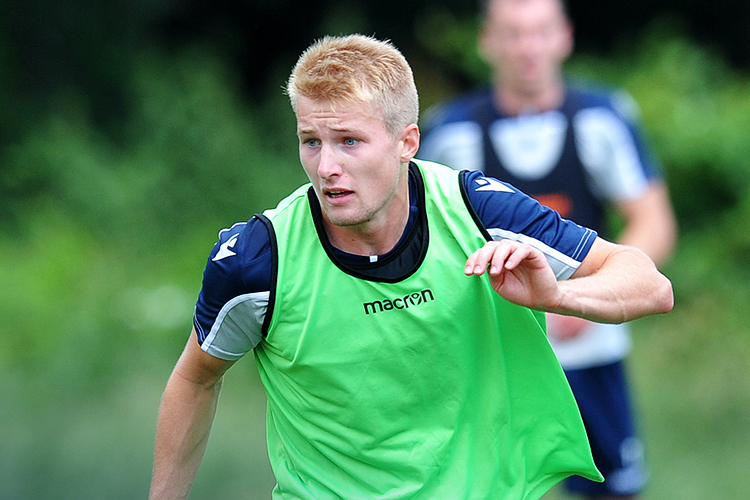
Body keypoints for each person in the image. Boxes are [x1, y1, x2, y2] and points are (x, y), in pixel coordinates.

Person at [149, 34, 673, 500]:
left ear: (407, 142)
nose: (327, 167)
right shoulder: (257, 261)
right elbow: (196, 379)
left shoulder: (480, 212)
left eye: (349, 141)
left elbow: (649, 284)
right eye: (311, 141)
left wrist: (556, 297)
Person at [419, 0, 678, 498]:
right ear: (486, 41)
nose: (528, 48)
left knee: (612, 490)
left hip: (588, 347)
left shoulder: (603, 117)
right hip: (491, 355)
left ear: (565, 37)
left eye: (540, 32)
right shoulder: (450, 132)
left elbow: (654, 220)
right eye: (513, 34)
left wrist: (589, 294)